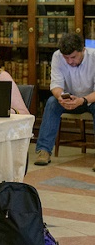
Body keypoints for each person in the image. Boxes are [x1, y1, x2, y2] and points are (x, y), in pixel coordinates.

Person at [32, 33, 95, 165]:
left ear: (82, 50)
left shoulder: (93, 57)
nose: (69, 61)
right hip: (69, 99)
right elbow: (55, 85)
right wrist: (61, 98)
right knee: (51, 103)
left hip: (90, 99)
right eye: (66, 58)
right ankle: (44, 151)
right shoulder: (57, 56)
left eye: (73, 57)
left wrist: (82, 100)